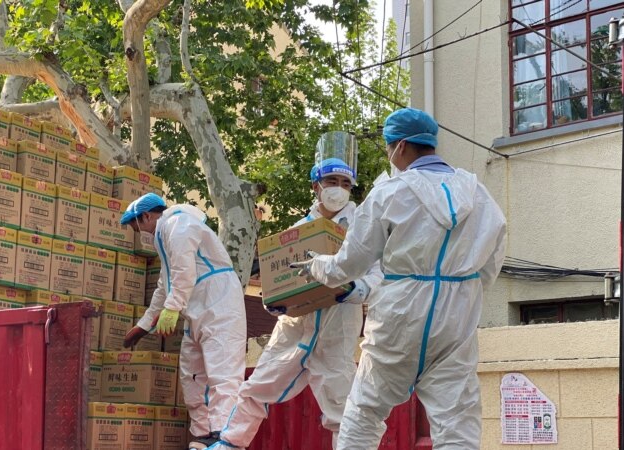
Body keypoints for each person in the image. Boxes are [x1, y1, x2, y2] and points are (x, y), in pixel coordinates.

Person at [293, 108, 507, 449]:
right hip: (456, 316)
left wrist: (317, 265)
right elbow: (492, 260)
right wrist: (461, 291)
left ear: (401, 146)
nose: (389, 155)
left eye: (388, 146)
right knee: (457, 424)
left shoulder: (390, 193)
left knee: (363, 412)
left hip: (399, 316)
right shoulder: (478, 194)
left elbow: (347, 266)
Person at [213, 158, 383, 450]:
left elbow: (378, 276)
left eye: (345, 184)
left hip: (337, 328)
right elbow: (277, 279)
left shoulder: (361, 230)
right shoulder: (298, 231)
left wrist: (354, 290)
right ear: (316, 186)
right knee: (256, 387)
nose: (338, 190)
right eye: (331, 182)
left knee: (342, 407)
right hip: (294, 327)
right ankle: (229, 444)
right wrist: (274, 304)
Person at [119, 193, 247, 450]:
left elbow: (183, 271)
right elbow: (164, 286)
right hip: (197, 310)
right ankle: (203, 435)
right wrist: (144, 324)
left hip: (219, 306)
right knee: (192, 375)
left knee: (222, 375)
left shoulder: (177, 224)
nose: (137, 232)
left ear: (146, 216)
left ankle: (225, 437)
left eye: (136, 226)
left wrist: (172, 309)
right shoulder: (164, 236)